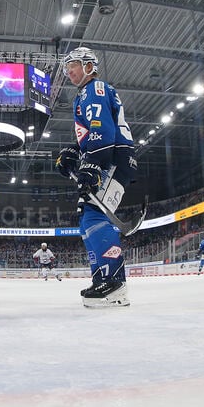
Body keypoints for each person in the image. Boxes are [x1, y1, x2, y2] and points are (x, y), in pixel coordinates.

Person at [54, 47, 137, 308]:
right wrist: (75, 151)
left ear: (89, 66)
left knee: (94, 215)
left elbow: (103, 128)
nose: (69, 71)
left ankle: (115, 282)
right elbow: (93, 131)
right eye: (67, 67)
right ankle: (102, 277)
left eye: (74, 65)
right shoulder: (84, 95)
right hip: (108, 156)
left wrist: (92, 162)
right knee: (86, 218)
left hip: (113, 158)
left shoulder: (95, 89)